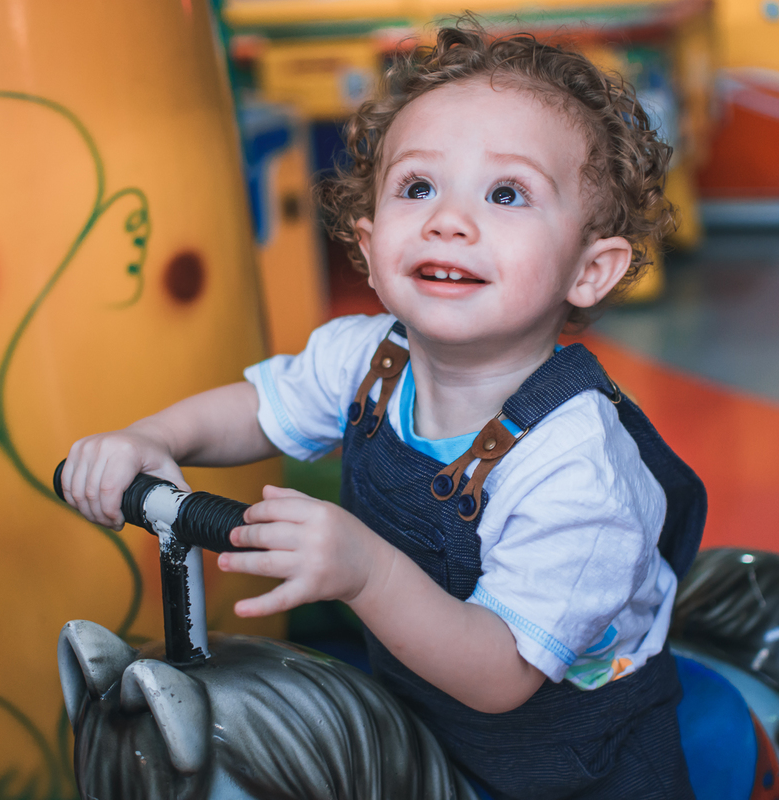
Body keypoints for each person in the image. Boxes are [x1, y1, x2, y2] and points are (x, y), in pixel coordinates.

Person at [61, 22, 705, 800]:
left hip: (565, 760)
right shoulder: (368, 357)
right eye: (418, 187)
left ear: (589, 269)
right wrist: (151, 437)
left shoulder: (577, 470)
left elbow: (501, 674)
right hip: (415, 704)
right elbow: (264, 408)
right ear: (368, 246)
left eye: (506, 193)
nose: (448, 220)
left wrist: (364, 572)